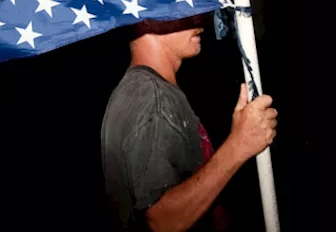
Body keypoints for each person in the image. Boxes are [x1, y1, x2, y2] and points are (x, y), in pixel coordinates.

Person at [101, 14, 278, 231]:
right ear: (145, 20)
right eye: (185, 9)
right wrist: (239, 145)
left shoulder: (156, 91)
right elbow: (162, 220)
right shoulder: (149, 96)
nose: (199, 20)